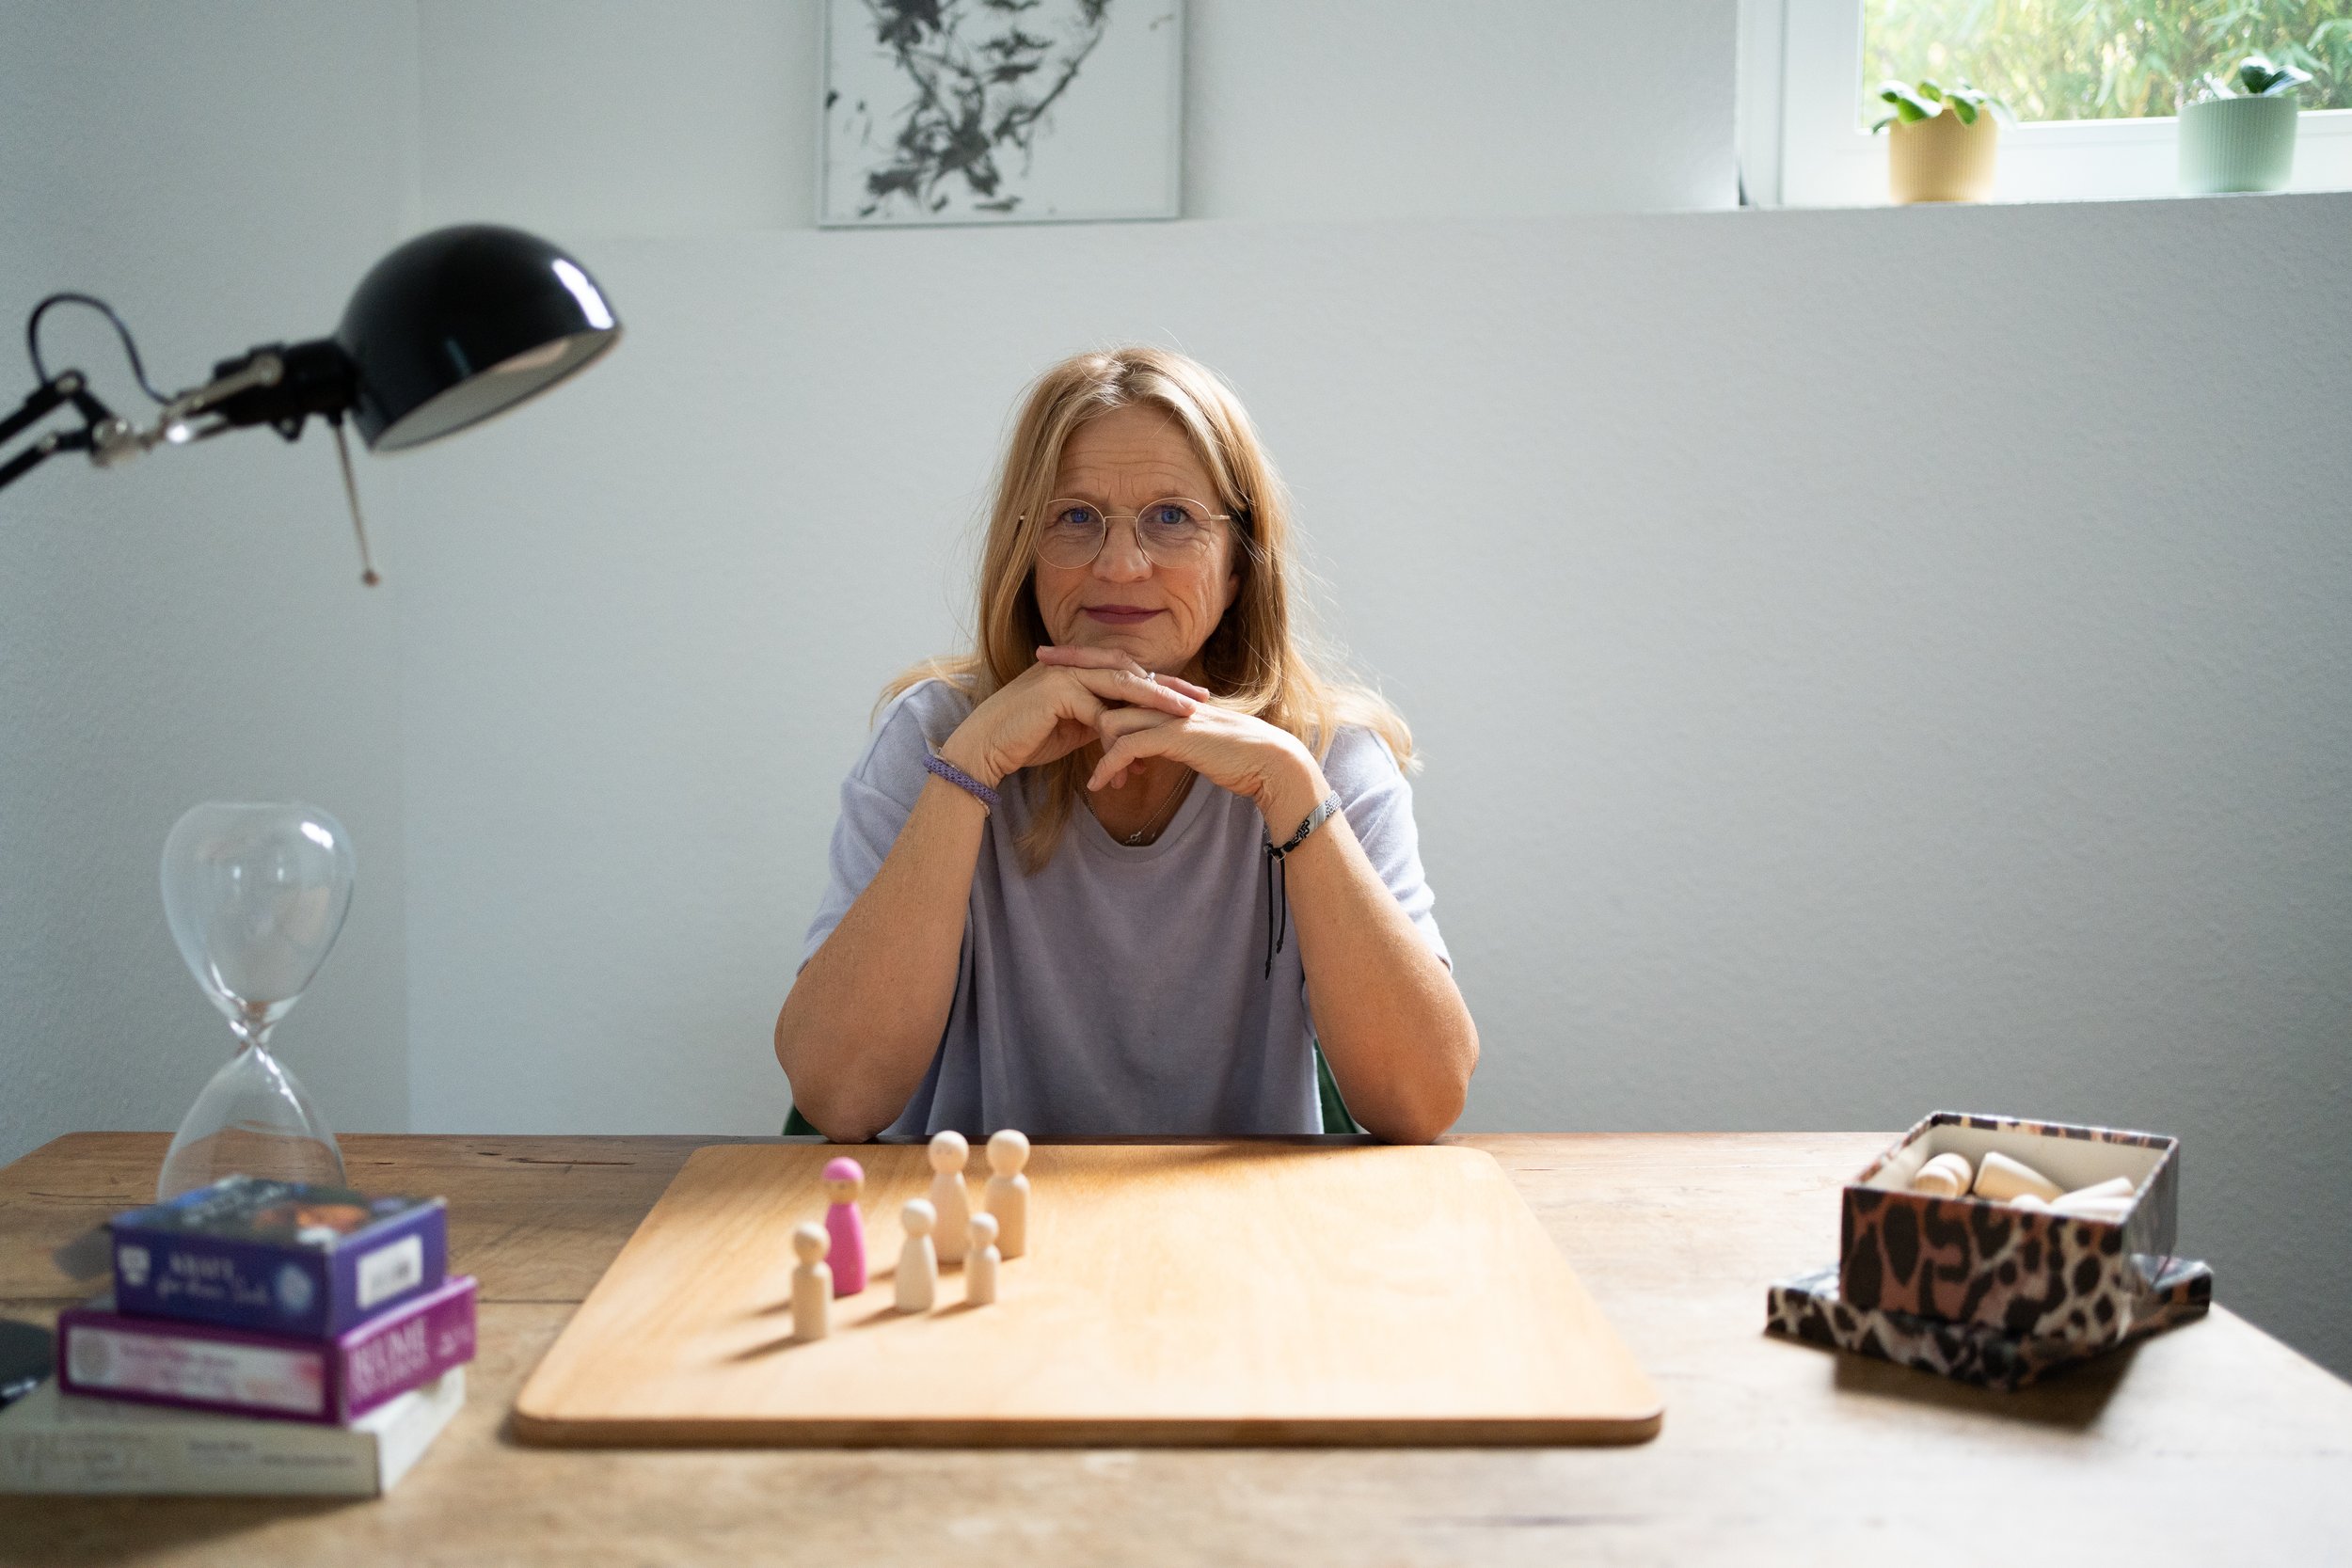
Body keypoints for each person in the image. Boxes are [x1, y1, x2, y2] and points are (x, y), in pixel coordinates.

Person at [774, 347, 1477, 1143]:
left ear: (1240, 562)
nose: (1120, 563)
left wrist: (1292, 791)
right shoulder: (935, 735)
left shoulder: (1329, 757)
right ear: (1025, 553)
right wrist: (967, 772)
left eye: (1172, 517)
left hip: (1250, 1238)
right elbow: (837, 1097)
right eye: (1074, 517)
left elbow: (1424, 1102)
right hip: (978, 1233)